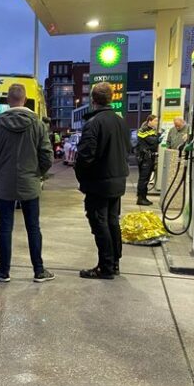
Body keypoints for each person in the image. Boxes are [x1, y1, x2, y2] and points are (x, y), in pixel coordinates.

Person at [0, 83, 55, 283]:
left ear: (8, 100)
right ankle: (39, 270)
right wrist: (36, 174)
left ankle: (4, 271)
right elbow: (48, 156)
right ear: (24, 99)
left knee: (5, 228)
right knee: (33, 227)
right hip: (30, 184)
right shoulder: (38, 125)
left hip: (4, 185)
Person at [74, 82, 131, 279]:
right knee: (113, 221)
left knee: (100, 223)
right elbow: (128, 150)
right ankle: (114, 262)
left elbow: (85, 156)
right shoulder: (121, 122)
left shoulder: (94, 123)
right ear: (111, 98)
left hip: (99, 183)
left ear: (93, 99)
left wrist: (82, 177)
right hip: (117, 181)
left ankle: (105, 266)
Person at [135, 114, 159, 205]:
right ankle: (140, 198)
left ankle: (144, 197)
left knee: (146, 179)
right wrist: (159, 137)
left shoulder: (151, 130)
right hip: (145, 158)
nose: (157, 123)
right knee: (143, 179)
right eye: (155, 121)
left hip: (149, 157)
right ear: (150, 121)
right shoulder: (143, 130)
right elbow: (153, 141)